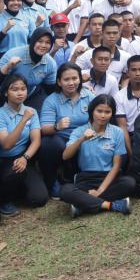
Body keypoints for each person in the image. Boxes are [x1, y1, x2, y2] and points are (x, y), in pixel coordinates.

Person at [60, 94, 134, 218]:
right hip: (85, 179)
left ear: (112, 114)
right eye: (99, 111)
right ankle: (111, 205)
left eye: (107, 112)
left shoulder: (117, 132)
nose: (103, 115)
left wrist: (99, 191)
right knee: (65, 191)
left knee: (129, 183)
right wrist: (82, 139)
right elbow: (65, 156)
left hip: (108, 178)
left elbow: (116, 166)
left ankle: (82, 205)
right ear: (92, 111)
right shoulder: (79, 131)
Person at [0, 74, 47, 217]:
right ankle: (4, 201)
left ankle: (16, 189)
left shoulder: (31, 111)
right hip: (1, 160)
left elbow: (36, 140)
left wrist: (25, 157)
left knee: (39, 198)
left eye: (23, 89)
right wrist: (23, 120)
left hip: (22, 157)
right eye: (14, 89)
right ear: (5, 93)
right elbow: (7, 144)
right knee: (15, 171)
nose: (20, 92)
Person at [38, 62, 94, 197]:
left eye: (74, 78)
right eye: (66, 79)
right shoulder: (51, 100)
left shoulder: (89, 95)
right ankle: (52, 181)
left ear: (80, 79)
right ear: (58, 81)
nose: (71, 83)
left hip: (83, 138)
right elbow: (44, 129)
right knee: (48, 144)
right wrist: (56, 126)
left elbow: (97, 119)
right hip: (61, 140)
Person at [0, 28, 58, 109]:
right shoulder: (14, 54)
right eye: (40, 41)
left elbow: (50, 89)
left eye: (48, 42)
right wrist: (8, 66)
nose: (43, 45)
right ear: (33, 41)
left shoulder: (50, 63)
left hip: (27, 97)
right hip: (2, 96)